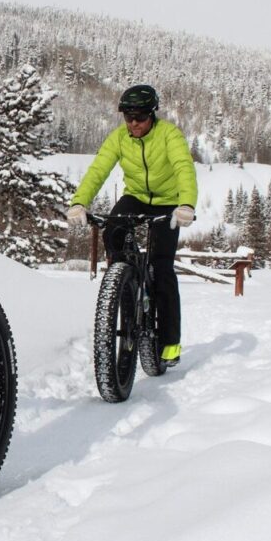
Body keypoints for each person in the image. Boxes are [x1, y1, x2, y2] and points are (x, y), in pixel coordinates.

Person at [66, 84, 197, 367]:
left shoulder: (169, 135)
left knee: (162, 268)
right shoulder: (119, 138)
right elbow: (98, 170)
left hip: (167, 202)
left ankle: (170, 343)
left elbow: (184, 168)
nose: (134, 124)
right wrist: (79, 202)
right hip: (136, 197)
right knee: (112, 229)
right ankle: (125, 279)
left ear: (152, 115)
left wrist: (186, 204)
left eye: (139, 117)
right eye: (128, 118)